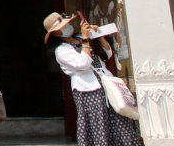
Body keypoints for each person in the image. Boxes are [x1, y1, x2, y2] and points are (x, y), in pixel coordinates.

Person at [44, 12, 138, 146]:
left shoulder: (81, 36)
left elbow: (107, 53)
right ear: (55, 33)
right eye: (62, 27)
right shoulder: (61, 50)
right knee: (97, 120)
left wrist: (98, 35)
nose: (67, 27)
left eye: (67, 24)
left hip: (106, 83)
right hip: (88, 88)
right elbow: (84, 63)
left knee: (118, 117)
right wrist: (86, 40)